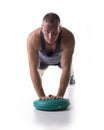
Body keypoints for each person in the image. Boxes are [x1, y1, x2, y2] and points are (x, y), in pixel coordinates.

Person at [27, 13, 75, 100]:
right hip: (42, 60)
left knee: (69, 70)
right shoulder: (33, 38)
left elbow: (66, 68)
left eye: (54, 32)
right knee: (36, 72)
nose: (50, 37)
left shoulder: (68, 37)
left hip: (61, 59)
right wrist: (41, 96)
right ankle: (40, 75)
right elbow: (32, 69)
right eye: (47, 31)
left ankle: (72, 77)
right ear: (42, 28)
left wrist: (60, 95)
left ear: (59, 28)